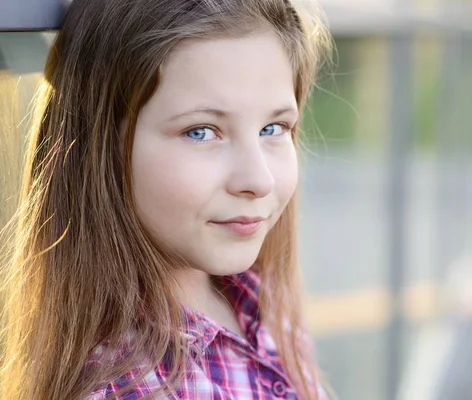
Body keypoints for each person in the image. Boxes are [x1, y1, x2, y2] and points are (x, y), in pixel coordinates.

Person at [0, 0, 332, 398]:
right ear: (99, 148)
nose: (257, 180)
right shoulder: (124, 388)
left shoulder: (259, 304)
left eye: (273, 128)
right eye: (201, 132)